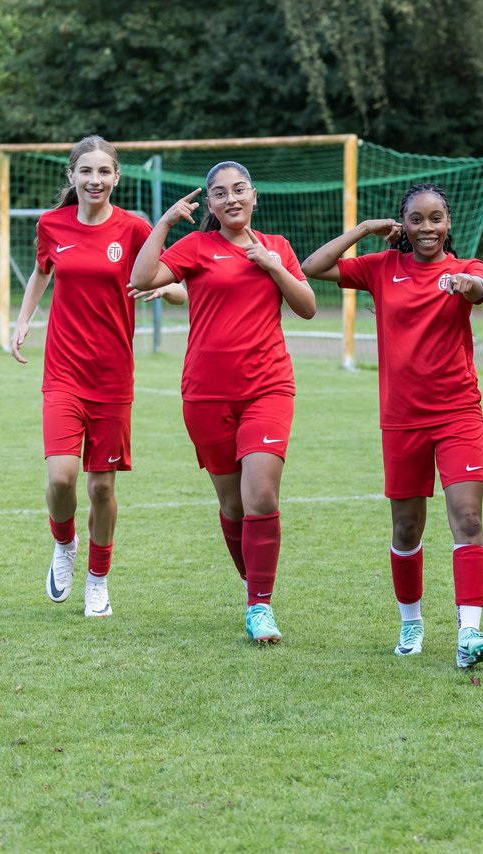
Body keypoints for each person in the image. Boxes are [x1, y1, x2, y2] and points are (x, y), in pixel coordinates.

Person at [302, 183, 483, 669]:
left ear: (448, 223)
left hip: (458, 414)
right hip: (402, 420)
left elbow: (480, 288)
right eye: (416, 219)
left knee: (468, 519)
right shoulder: (381, 267)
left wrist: (463, 286)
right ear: (403, 225)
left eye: (436, 219)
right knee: (407, 527)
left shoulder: (465, 268)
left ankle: (468, 633)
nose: (427, 228)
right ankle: (411, 622)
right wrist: (366, 229)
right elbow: (312, 268)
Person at [131, 160, 315, 644]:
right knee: (233, 506)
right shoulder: (196, 247)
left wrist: (274, 267)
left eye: (239, 190)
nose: (230, 199)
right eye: (219, 193)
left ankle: (260, 607)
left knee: (261, 496)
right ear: (209, 204)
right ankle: (252, 587)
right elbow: (143, 276)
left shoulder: (278, 248)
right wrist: (166, 223)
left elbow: (308, 306)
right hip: (206, 394)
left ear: (254, 196)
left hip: (268, 388)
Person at [12, 134, 186, 618]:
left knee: (102, 488)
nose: (94, 180)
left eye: (103, 172)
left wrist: (166, 291)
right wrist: (24, 318)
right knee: (63, 478)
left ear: (116, 177)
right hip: (63, 371)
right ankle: (64, 545)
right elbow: (42, 271)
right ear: (71, 176)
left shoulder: (134, 229)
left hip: (112, 378)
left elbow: (173, 280)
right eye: (85, 172)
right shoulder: (52, 224)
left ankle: (98, 579)